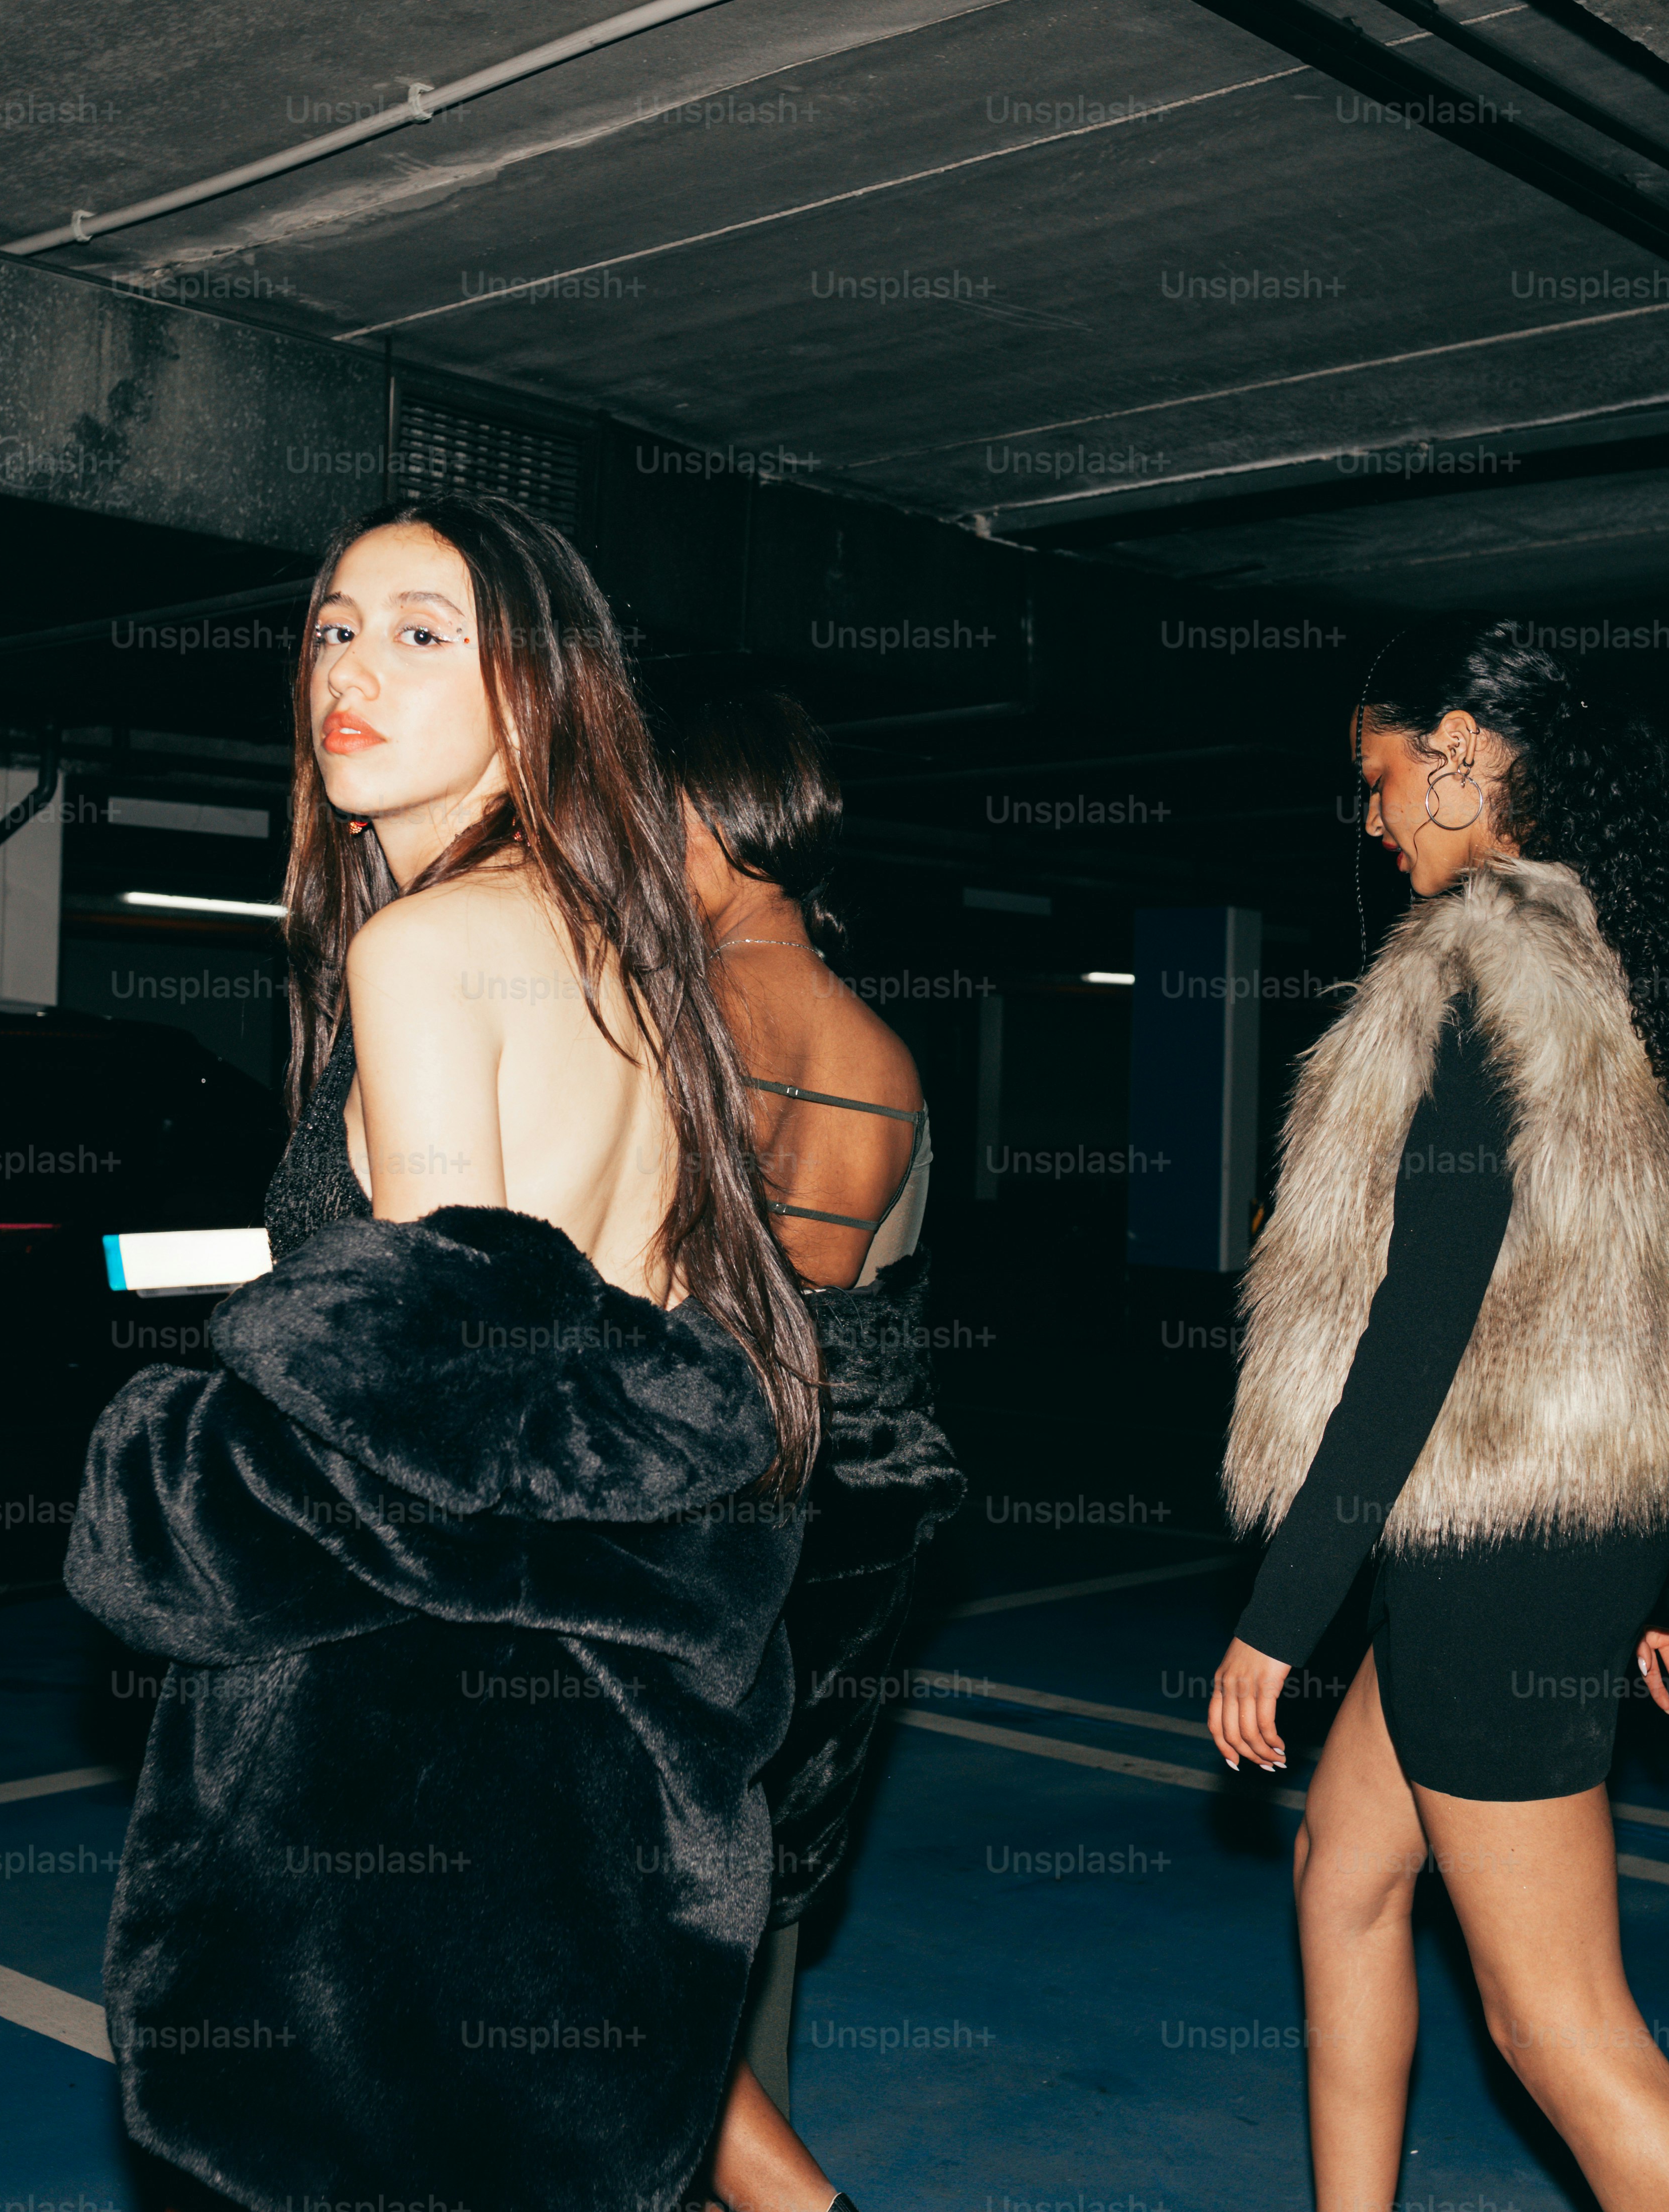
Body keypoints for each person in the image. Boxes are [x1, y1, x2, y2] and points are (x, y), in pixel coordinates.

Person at [64, 494, 821, 2212]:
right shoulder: (630, 949)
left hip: (406, 1757)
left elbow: (434, 1422)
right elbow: (610, 1361)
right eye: (336, 626)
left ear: (538, 695)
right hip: (602, 1737)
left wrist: (162, 1488)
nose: (355, 668)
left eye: (425, 634)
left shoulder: (420, 953)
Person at [1204, 618, 1669, 2212]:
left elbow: (1420, 1326)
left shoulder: (1471, 970)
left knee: (1559, 2024)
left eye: (1383, 780)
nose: (1374, 822)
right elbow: (1663, 1291)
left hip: (1494, 1549)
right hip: (1560, 1535)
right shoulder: (1630, 958)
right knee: (1345, 1867)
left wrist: (1282, 1615)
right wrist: (1656, 1565)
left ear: (1462, 752)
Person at [668, 692, 967, 2212]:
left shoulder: (659, 1020)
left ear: (709, 826)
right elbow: (871, 1286)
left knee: (631, 1890)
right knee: (767, 1884)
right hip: (840, 1509)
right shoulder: (889, 1061)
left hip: (691, 1499)